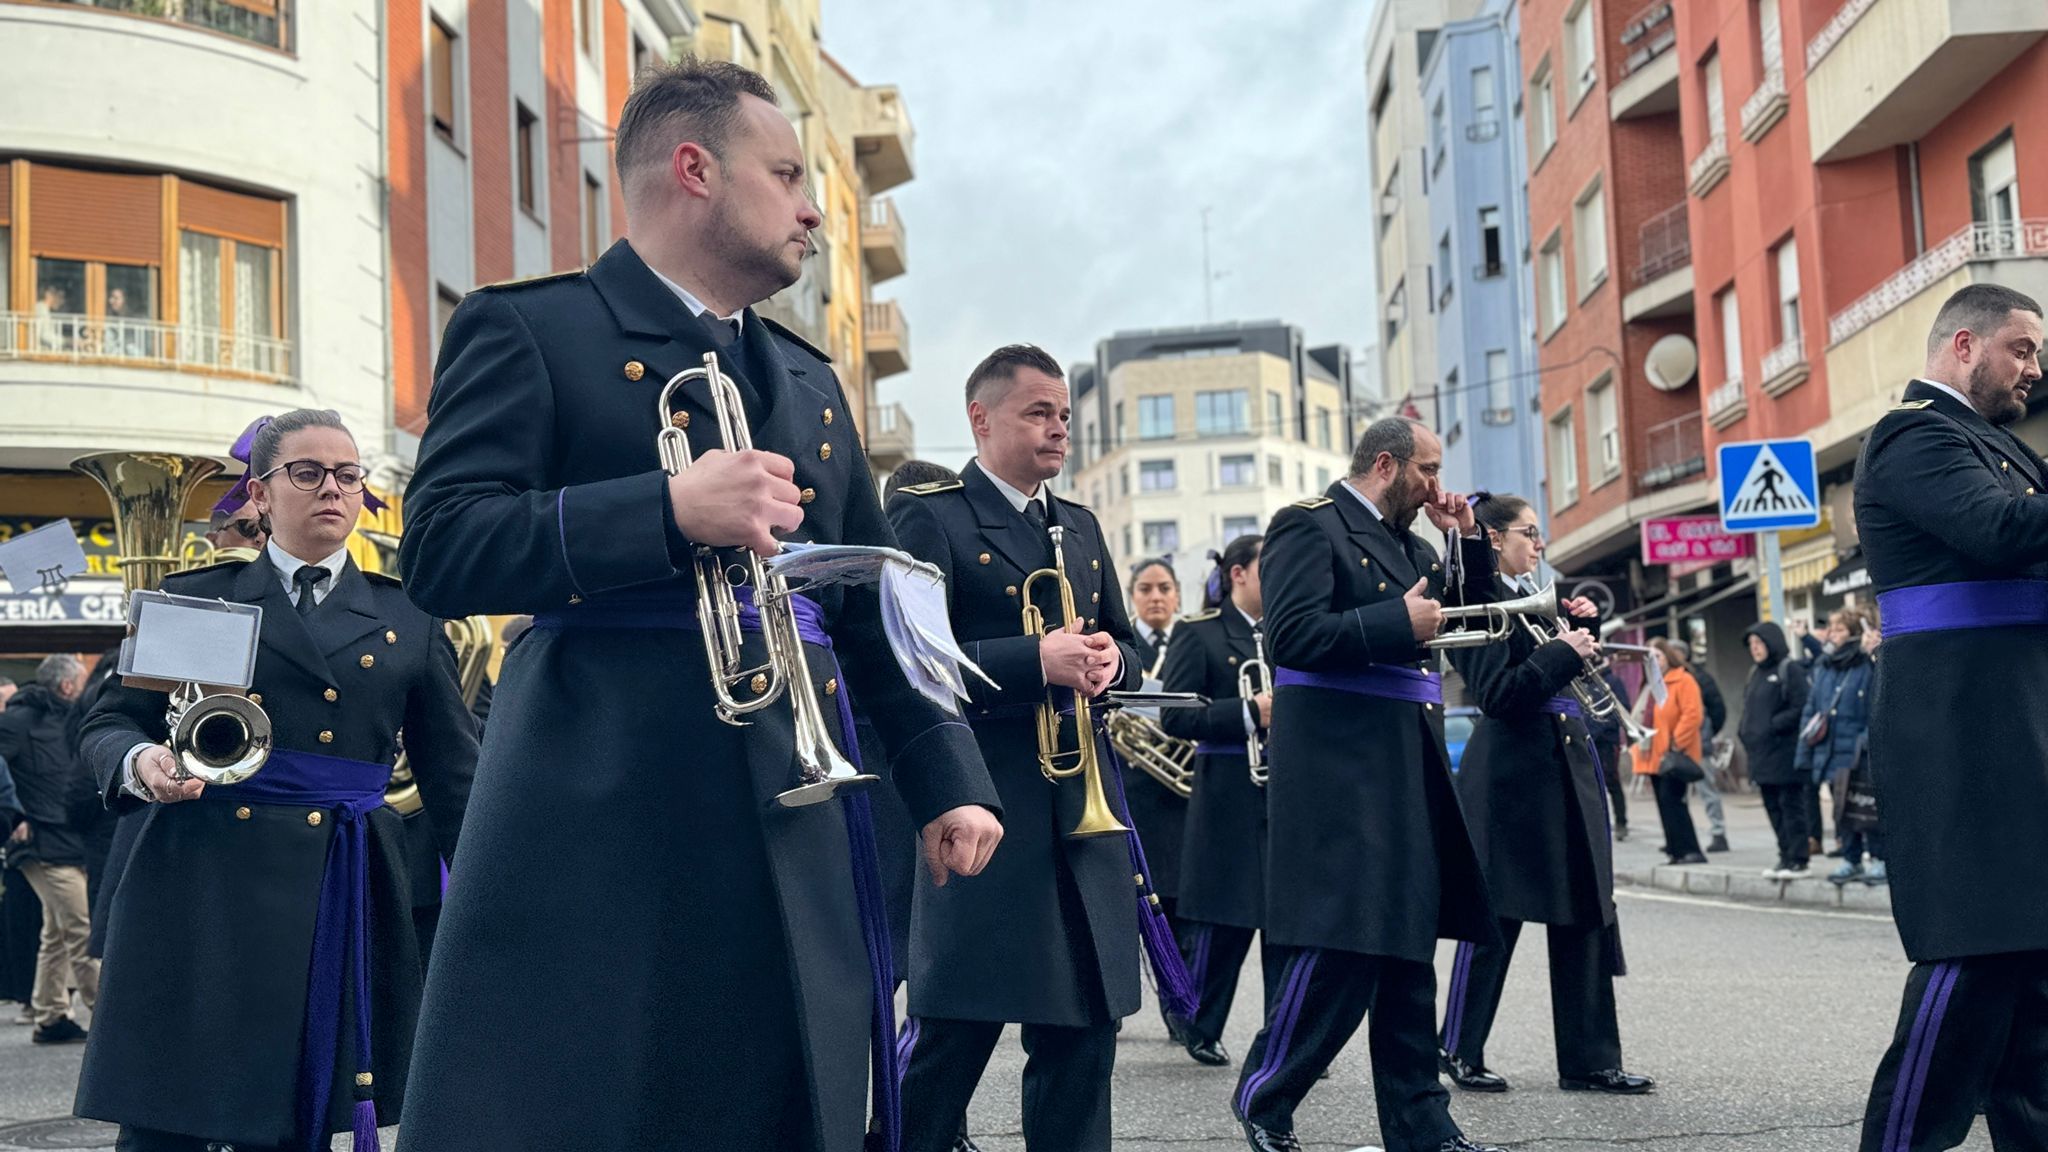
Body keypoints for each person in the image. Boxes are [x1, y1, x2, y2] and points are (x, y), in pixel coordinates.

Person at [395, 60, 1003, 1152]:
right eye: (785, 173)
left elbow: (870, 610)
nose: (813, 207)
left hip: (794, 807)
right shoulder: (533, 329)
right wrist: (665, 506)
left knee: (788, 1101)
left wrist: (946, 779)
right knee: (603, 1104)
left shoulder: (811, 382)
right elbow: (439, 548)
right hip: (604, 811)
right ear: (695, 171)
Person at [75, 408, 478, 1151]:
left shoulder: (409, 615)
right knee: (170, 1113)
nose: (332, 487)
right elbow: (104, 726)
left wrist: (498, 898)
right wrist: (142, 763)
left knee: (302, 1108)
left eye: (348, 474)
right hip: (198, 878)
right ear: (259, 494)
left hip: (340, 881)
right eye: (308, 472)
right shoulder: (199, 595)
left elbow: (456, 777)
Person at [888, 345, 1165, 1152]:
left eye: (1065, 415)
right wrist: (1030, 660)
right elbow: (909, 657)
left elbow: (1123, 646)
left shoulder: (1077, 526)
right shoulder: (930, 515)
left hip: (1081, 815)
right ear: (981, 419)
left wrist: (1114, 662)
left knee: (1084, 1036)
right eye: (1038, 413)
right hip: (986, 800)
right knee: (953, 1037)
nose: (1059, 430)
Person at [1233, 416, 1506, 1152]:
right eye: (1427, 471)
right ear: (1384, 465)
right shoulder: (1306, 526)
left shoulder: (1411, 542)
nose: (1435, 486)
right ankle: (1266, 1095)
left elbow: (1475, 619)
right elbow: (1292, 636)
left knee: (1408, 950)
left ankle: (1422, 1122)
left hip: (1405, 765)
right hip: (1338, 768)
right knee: (1340, 946)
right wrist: (1396, 619)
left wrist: (1466, 539)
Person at [1851, 282, 2048, 1151]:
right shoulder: (1912, 436)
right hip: (1961, 742)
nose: (2035, 371)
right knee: (1967, 970)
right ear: (1963, 346)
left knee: (2036, 990)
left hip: (2019, 732)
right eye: (2023, 349)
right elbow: (2001, 533)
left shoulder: (2001, 448)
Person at [1437, 493, 1652, 1099]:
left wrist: (1582, 632)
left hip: (1565, 767)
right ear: (1496, 538)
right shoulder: (1477, 604)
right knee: (1497, 917)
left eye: (1540, 535)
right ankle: (1457, 1045)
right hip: (1509, 777)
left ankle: (1590, 1060)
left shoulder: (1539, 603)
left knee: (1587, 910)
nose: (1538, 545)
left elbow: (1568, 675)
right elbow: (1500, 694)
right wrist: (1562, 649)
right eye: (1529, 533)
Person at [1161, 535, 1273, 1069]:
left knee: (1288, 923)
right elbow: (1177, 717)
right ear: (1238, 575)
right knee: (1225, 922)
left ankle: (1285, 1035)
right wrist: (1250, 710)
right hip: (1227, 787)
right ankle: (1199, 1023)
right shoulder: (1198, 632)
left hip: (1289, 791)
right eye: (1268, 566)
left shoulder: (1288, 631)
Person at [0, 654, 94, 1045]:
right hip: (39, 842)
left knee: (57, 931)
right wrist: (13, 816)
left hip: (68, 838)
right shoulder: (17, 723)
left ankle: (51, 1015)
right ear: (69, 686)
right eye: (82, 681)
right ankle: (111, 1016)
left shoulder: (68, 720)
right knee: (81, 927)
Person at [1120, 555, 1189, 1028]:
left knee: (1175, 901)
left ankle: (1178, 1004)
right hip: (1126, 783)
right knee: (1119, 902)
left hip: (1173, 791)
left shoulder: (1189, 640)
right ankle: (1116, 1004)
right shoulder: (1122, 645)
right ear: (1133, 597)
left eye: (1164, 587)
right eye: (1145, 589)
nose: (1156, 597)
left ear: (1178, 595)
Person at [1796, 610, 1875, 884]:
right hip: (1830, 750)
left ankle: (1878, 857)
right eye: (1832, 629)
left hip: (1857, 751)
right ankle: (1851, 858)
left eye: (1840, 630)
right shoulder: (1825, 667)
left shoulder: (1867, 663)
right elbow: (1812, 709)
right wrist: (1804, 751)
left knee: (1867, 806)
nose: (1833, 635)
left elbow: (1877, 706)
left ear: (1853, 633)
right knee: (1841, 810)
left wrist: (1865, 741)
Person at [1738, 621, 1811, 879]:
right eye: (1752, 645)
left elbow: (1802, 705)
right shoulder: (1754, 673)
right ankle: (1784, 855)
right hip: (1761, 754)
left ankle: (1799, 858)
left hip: (1784, 752)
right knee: (1772, 807)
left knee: (1790, 806)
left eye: (1759, 644)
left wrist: (1774, 725)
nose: (1755, 649)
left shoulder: (1788, 669)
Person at [1632, 640, 1706, 866]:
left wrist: (1676, 743)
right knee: (1664, 804)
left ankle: (1690, 850)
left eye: (1659, 656)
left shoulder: (1683, 680)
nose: (1655, 661)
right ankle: (1675, 850)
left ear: (1669, 657)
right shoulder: (1650, 685)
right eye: (1650, 656)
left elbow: (1692, 715)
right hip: (1654, 756)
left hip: (1673, 755)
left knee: (1673, 802)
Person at [1677, 642, 1730, 852]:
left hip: (1699, 743)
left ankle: (1719, 832)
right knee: (1678, 794)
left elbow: (1717, 709)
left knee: (1707, 789)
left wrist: (1708, 733)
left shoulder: (1699, 678)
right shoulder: (1668, 678)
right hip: (1677, 746)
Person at [1587, 665, 1631, 841]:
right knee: (1591, 784)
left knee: (1612, 781)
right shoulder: (1582, 681)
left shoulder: (1612, 681)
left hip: (1607, 741)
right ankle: (1597, 822)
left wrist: (1602, 728)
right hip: (1589, 740)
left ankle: (1621, 822)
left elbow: (1621, 708)